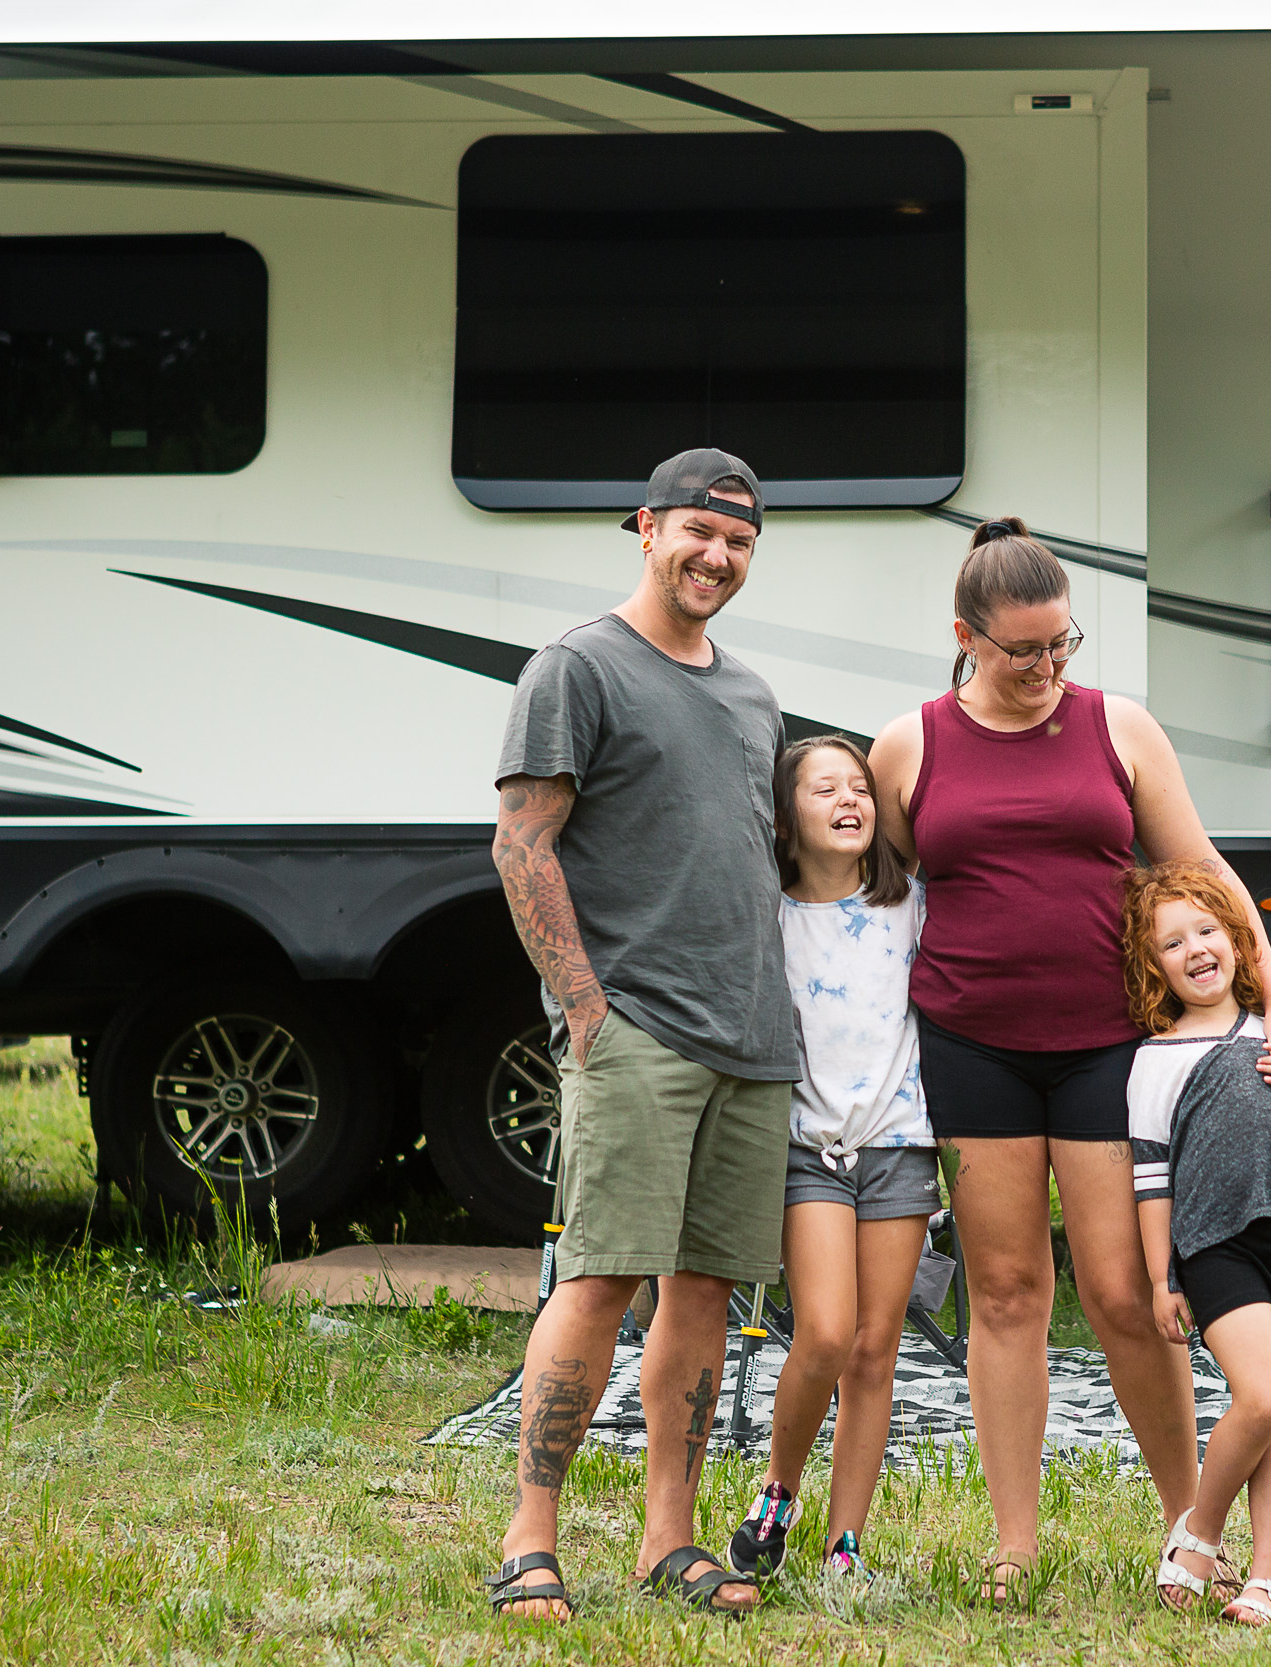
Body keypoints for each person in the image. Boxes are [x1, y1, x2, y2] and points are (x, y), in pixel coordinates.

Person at [867, 516, 1271, 1598]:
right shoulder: (909, 745)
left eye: (1061, 642)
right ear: (965, 638)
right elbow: (880, 895)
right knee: (1008, 1289)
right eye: (1022, 649)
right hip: (972, 1044)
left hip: (1113, 1046)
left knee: (1122, 1292)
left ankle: (1189, 1530)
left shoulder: (1120, 728)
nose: (1046, 666)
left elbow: (1202, 872)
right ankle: (1013, 1543)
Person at [482, 448, 797, 1622]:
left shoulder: (752, 694)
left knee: (704, 1288)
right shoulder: (578, 665)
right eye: (698, 532)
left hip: (749, 1038)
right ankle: (529, 1535)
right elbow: (522, 843)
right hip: (638, 1028)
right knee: (602, 1275)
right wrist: (585, 1011)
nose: (717, 556)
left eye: (740, 540)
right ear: (647, 527)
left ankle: (670, 1537)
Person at [726, 735, 936, 1581]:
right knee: (823, 1332)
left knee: (875, 1349)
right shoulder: (767, 916)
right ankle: (778, 1488)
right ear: (785, 818)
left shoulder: (911, 905)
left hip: (899, 1143)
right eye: (825, 789)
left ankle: (845, 1540)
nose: (850, 799)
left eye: (860, 787)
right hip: (807, 1148)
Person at [1122, 861, 1271, 1628]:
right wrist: (1162, 1276)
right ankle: (1201, 1533)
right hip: (1215, 1244)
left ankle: (1267, 1579)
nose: (1196, 949)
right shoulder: (1155, 1059)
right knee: (1262, 1399)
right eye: (1173, 942)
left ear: (1240, 943)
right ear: (1154, 967)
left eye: (1207, 930)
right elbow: (1152, 1180)